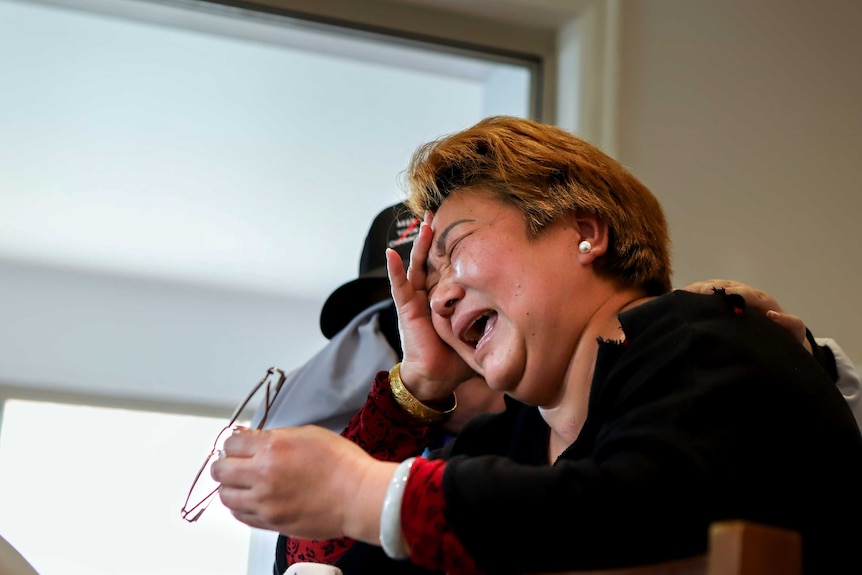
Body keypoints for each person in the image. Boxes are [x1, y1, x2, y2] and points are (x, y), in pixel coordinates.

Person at [215, 116, 862, 574]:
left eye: (453, 250)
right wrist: (418, 385)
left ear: (585, 231)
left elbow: (635, 510)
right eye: (425, 284)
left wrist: (371, 492)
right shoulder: (519, 441)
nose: (436, 299)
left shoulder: (708, 339)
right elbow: (321, 561)